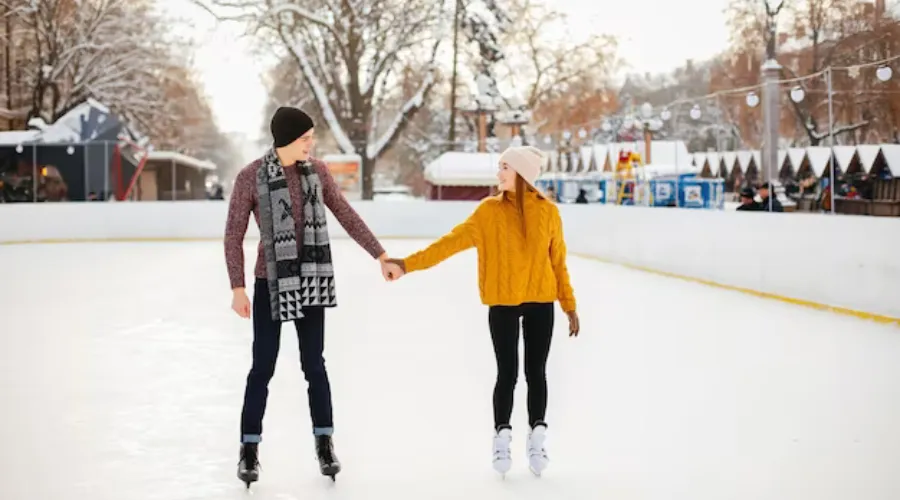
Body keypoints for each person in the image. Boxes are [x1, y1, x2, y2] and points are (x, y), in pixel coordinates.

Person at [224, 106, 401, 487]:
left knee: (313, 364)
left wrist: (380, 254)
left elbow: (345, 213)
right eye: (306, 138)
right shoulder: (250, 177)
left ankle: (325, 444)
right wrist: (237, 287)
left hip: (311, 280)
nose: (311, 143)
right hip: (269, 281)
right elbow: (233, 234)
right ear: (287, 138)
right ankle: (249, 450)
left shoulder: (317, 172)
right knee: (263, 367)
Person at [385, 145, 580, 477]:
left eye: (505, 166)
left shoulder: (548, 213)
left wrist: (569, 305)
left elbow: (558, 263)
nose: (498, 172)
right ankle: (502, 436)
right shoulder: (488, 212)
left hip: (539, 300)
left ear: (522, 174)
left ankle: (537, 437)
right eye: (499, 166)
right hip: (502, 301)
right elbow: (448, 244)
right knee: (507, 374)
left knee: (536, 373)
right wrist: (407, 265)